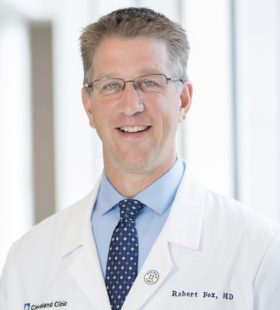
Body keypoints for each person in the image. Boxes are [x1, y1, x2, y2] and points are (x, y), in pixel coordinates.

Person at [1, 7, 280, 310]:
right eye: (111, 85)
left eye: (149, 82)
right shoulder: (28, 259)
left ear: (183, 100)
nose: (131, 105)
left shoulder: (257, 250)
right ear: (88, 106)